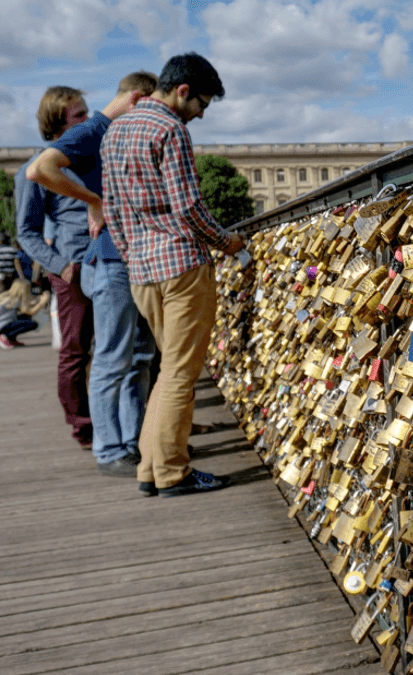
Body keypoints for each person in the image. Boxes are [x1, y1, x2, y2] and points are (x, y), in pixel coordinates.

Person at [101, 53, 245, 497]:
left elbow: (111, 209)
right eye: (201, 103)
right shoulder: (170, 129)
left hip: (142, 272)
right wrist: (226, 242)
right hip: (181, 266)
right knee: (181, 374)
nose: (200, 114)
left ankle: (150, 469)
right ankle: (172, 472)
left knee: (169, 371)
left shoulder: (115, 130)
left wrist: (132, 256)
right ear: (182, 91)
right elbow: (188, 207)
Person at [27, 71, 159, 477]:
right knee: (106, 357)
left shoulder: (111, 133)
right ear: (137, 99)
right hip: (102, 260)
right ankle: (107, 446)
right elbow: (38, 171)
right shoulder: (92, 132)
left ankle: (132, 442)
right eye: (153, 108)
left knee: (136, 357)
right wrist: (94, 201)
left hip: (125, 259)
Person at [15, 86, 94, 450]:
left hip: (109, 261)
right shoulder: (33, 169)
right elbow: (26, 232)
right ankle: (83, 427)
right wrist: (61, 267)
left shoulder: (92, 157)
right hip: (73, 266)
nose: (88, 119)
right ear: (57, 123)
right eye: (80, 115)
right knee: (76, 351)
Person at [0, 258, 48, 349]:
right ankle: (5, 336)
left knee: (24, 318)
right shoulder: (14, 300)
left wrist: (37, 301)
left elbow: (24, 308)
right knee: (33, 324)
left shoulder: (7, 296)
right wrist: (42, 302)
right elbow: (29, 311)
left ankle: (11, 339)